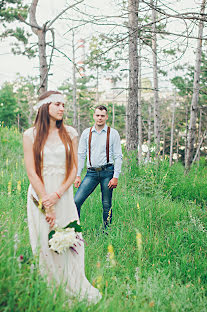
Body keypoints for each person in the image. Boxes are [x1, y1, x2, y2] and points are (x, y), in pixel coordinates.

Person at [23, 90, 101, 304]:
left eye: (63, 105)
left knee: (69, 239)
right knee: (44, 241)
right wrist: (45, 202)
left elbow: (74, 167)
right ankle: (51, 287)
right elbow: (32, 171)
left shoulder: (71, 133)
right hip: (40, 194)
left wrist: (58, 194)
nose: (62, 108)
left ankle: (73, 283)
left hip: (63, 195)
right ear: (45, 107)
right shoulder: (30, 135)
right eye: (57, 104)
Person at [74, 105, 122, 229]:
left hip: (108, 172)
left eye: (102, 116)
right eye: (97, 115)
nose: (100, 118)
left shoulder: (113, 133)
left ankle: (107, 232)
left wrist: (115, 177)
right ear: (94, 116)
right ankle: (76, 231)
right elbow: (81, 155)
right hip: (91, 173)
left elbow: (118, 156)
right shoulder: (86, 133)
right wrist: (78, 175)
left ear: (106, 117)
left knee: (106, 204)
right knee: (76, 202)